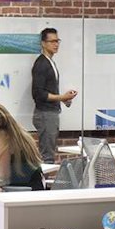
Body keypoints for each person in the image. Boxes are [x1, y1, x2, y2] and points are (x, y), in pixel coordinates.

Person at [31, 27, 78, 164]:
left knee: (48, 153)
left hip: (50, 113)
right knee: (47, 156)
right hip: (45, 114)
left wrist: (64, 99)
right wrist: (62, 97)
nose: (56, 44)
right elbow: (38, 94)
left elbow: (47, 90)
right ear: (43, 43)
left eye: (57, 41)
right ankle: (43, 179)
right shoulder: (41, 64)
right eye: (52, 41)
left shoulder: (50, 62)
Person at [0, 103, 44, 190]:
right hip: (35, 186)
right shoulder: (16, 132)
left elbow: (2, 175)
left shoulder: (2, 136)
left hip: (26, 191)